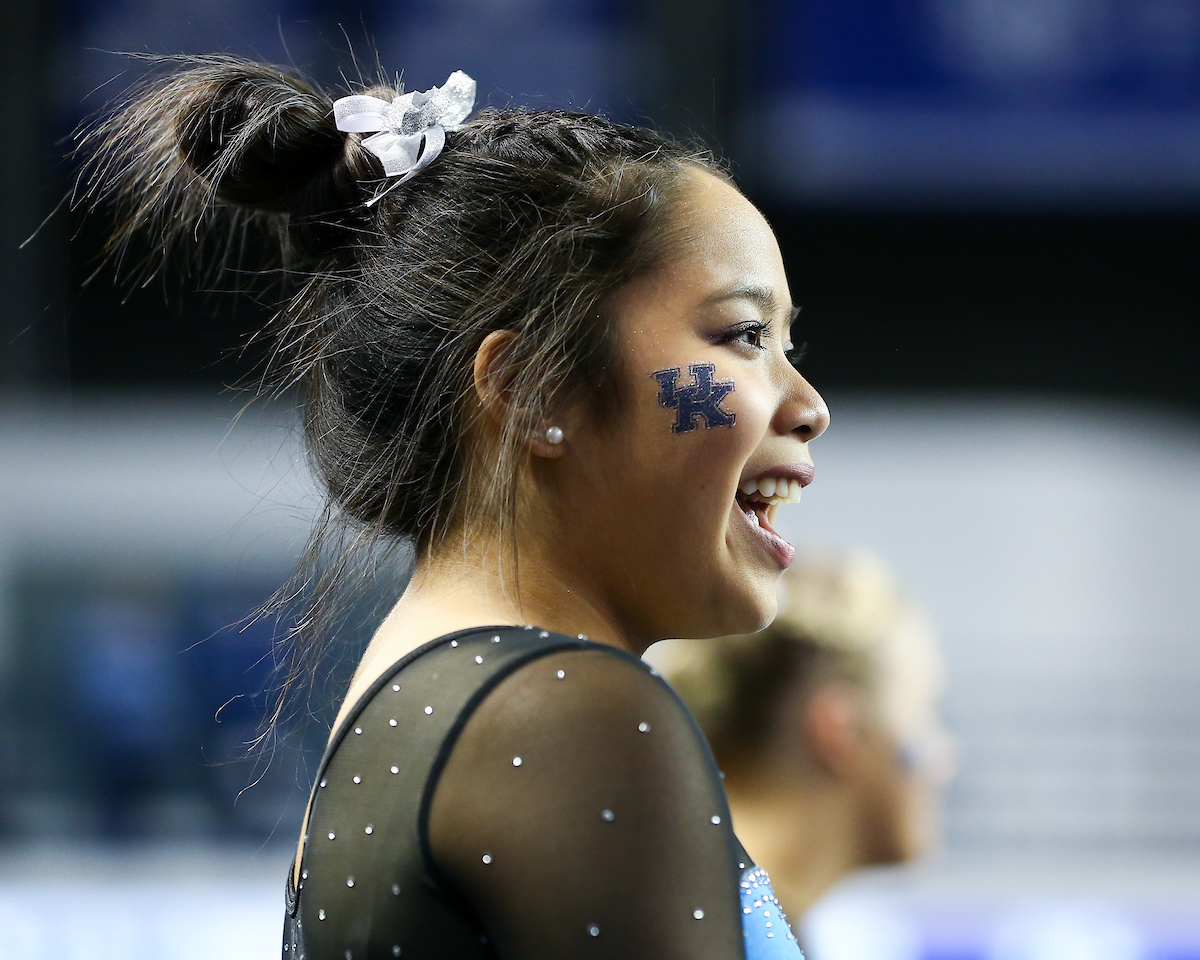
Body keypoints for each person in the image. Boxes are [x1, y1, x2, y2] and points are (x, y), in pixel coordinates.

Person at [80, 57, 830, 960]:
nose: (808, 405)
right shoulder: (564, 711)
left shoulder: (439, 692)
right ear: (531, 387)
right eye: (745, 335)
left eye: (786, 343)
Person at [650, 552, 954, 924]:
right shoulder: (718, 927)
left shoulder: (677, 889)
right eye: (922, 711)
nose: (944, 761)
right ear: (842, 728)